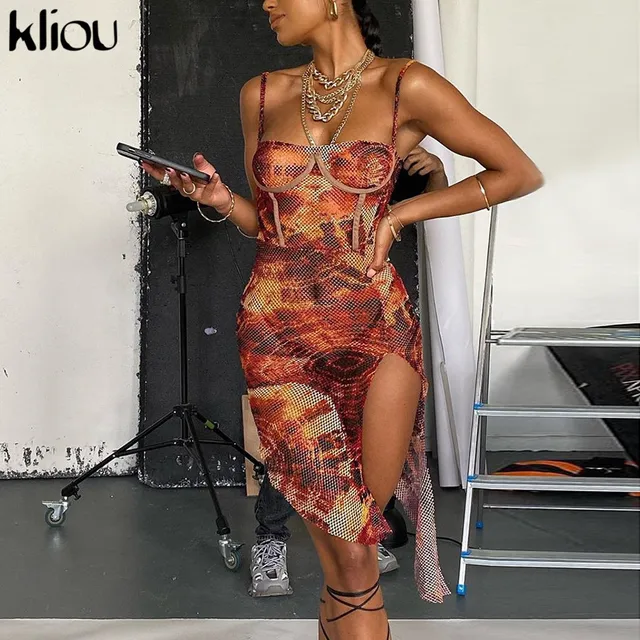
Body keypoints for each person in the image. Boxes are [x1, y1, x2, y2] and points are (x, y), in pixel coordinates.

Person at [141, 1, 543, 637]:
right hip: (279, 333)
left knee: (355, 546)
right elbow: (270, 226)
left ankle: (336, 626)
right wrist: (217, 199)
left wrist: (401, 215)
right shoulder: (261, 94)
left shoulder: (406, 85)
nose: (267, 3)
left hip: (379, 329)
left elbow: (518, 172)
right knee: (353, 555)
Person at [247, 144, 449, 599]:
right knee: (299, 441)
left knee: (365, 434)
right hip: (297, 308)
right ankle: (271, 540)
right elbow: (261, 217)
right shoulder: (299, 145)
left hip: (367, 310)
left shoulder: (383, 151)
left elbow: (430, 207)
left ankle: (363, 533)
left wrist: (435, 172)